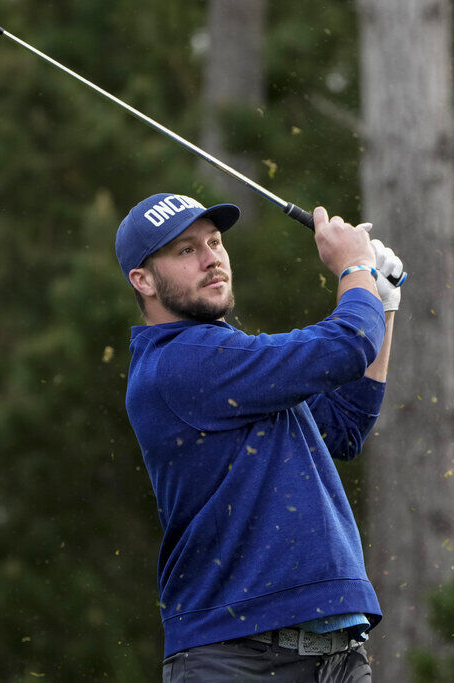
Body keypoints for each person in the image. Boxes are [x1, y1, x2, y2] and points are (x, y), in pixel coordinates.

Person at [115, 192, 403, 681]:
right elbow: (348, 343)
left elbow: (344, 427)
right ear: (142, 280)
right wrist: (355, 271)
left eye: (214, 241)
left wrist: (384, 302)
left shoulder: (231, 359)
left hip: (335, 655)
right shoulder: (180, 362)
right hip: (236, 659)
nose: (212, 259)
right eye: (186, 250)